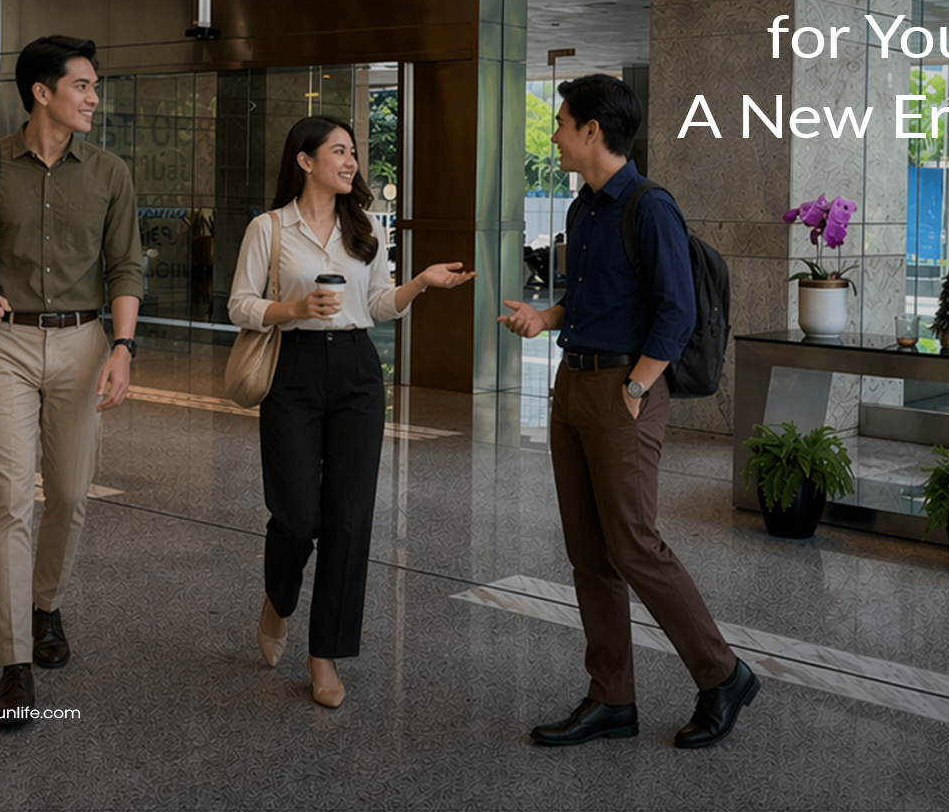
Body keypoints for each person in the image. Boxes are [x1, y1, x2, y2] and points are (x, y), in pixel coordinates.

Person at [498, 74, 757, 750]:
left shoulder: (650, 206)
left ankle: (722, 673)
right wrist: (544, 317)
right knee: (589, 552)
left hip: (623, 392)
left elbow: (679, 311)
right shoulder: (582, 210)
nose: (553, 135)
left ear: (592, 130)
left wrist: (638, 389)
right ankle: (611, 696)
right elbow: (588, 303)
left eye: (560, 123)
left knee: (634, 544)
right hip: (574, 384)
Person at [0, 35, 141, 724]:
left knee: (71, 495)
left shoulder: (109, 172)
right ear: (42, 92)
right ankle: (13, 662)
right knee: (9, 501)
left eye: (94, 86)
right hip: (5, 347)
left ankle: (46, 605)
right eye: (82, 85)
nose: (93, 98)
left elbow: (125, 267)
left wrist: (124, 346)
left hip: (82, 344)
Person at [228, 115, 474, 708]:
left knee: (349, 517)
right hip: (293, 369)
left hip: (358, 374)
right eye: (338, 151)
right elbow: (239, 305)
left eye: (354, 152)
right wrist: (292, 307)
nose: (351, 162)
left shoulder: (365, 229)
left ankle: (325, 655)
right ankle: (278, 599)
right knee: (295, 515)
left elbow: (377, 303)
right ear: (305, 161)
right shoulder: (269, 229)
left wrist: (418, 284)